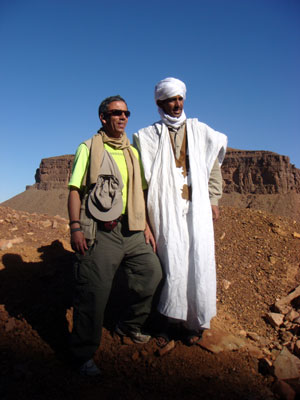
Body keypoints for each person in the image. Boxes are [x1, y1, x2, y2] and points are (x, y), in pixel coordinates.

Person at [68, 95, 162, 376]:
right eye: (116, 113)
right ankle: (82, 354)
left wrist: (145, 223)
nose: (123, 117)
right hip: (101, 231)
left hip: (132, 229)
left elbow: (140, 191)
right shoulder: (88, 148)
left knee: (151, 273)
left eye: (126, 113)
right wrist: (75, 227)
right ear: (103, 117)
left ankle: (129, 325)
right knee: (93, 293)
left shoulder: (132, 152)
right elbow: (75, 189)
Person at [133, 78, 227, 346]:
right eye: (171, 100)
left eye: (180, 99)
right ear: (160, 103)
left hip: (196, 208)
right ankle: (165, 321)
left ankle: (194, 323)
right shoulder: (147, 136)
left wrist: (214, 199)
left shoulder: (200, 131)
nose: (177, 105)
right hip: (163, 208)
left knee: (198, 261)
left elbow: (212, 169)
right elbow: (140, 179)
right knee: (170, 262)